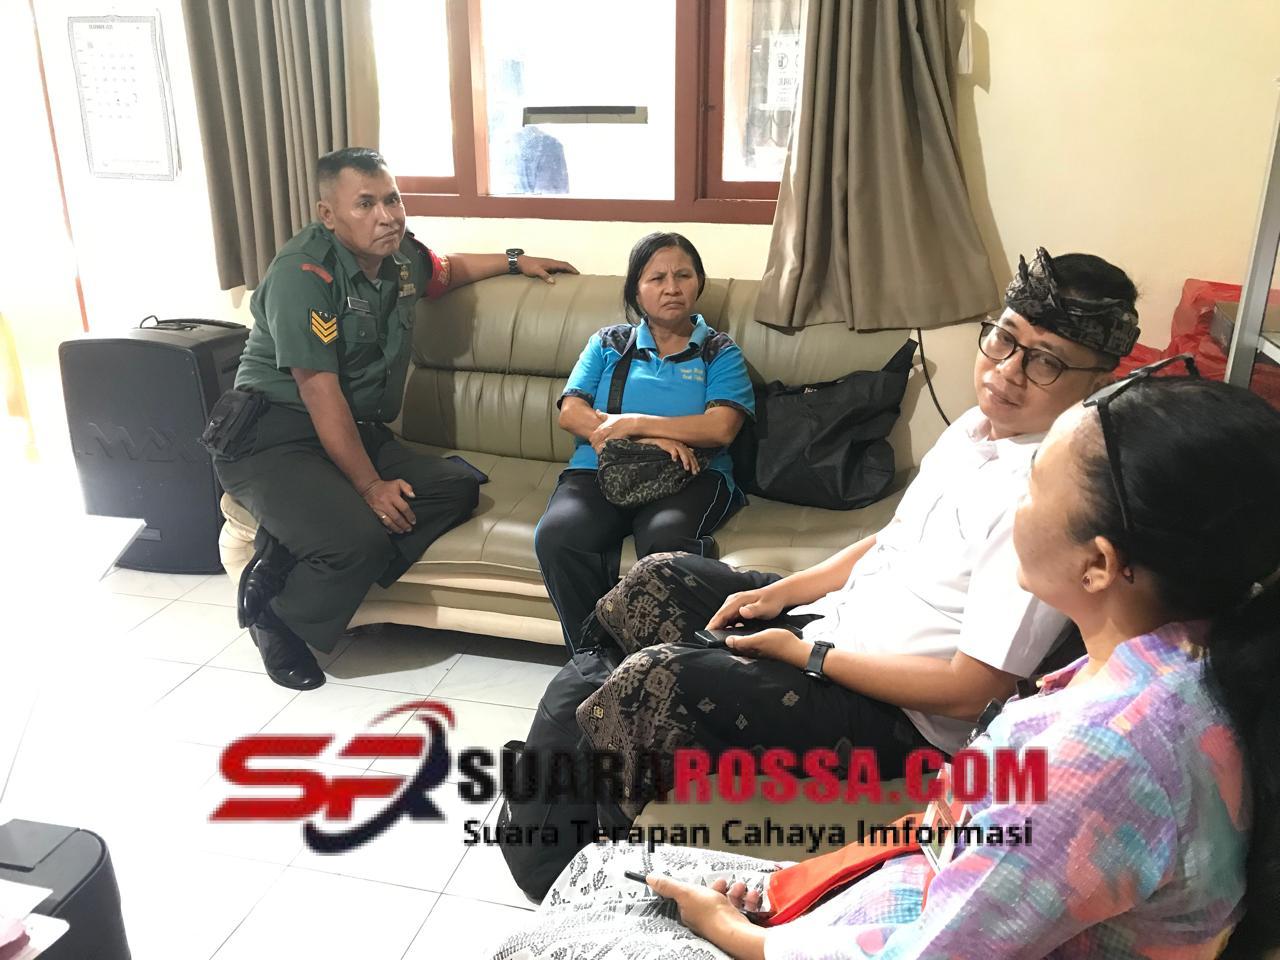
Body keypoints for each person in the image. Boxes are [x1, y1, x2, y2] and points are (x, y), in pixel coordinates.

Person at [494, 366, 1280, 959]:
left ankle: (557, 854)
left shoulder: (1093, 761)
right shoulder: (1176, 667)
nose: (1017, 502)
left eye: (1035, 490)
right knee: (647, 606)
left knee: (549, 940)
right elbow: (962, 859)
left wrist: (743, 936)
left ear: (1099, 563)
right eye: (1001, 342)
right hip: (900, 881)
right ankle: (563, 833)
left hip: (889, 899)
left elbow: (938, 944)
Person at [573, 247, 1140, 825]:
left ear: (1099, 382)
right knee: (656, 579)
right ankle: (600, 745)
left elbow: (973, 690)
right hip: (838, 624)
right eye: (1004, 339)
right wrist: (782, 592)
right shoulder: (974, 429)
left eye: (1045, 362)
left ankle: (594, 835)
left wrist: (808, 655)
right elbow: (893, 538)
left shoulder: (1046, 501)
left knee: (655, 679)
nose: (1008, 371)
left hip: (897, 715)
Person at [213, 146, 576, 690]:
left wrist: (513, 260)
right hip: (273, 436)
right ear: (328, 214)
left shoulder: (399, 257)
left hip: (350, 431)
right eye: (365, 204)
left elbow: (446, 271)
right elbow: (319, 392)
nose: (387, 216)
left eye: (393, 199)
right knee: (356, 539)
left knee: (456, 487)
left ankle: (286, 552)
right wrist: (369, 485)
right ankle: (278, 620)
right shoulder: (303, 274)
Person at [534, 232, 756, 650]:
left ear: (698, 283)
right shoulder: (608, 343)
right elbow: (572, 413)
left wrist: (635, 423)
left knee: (664, 541)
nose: (672, 288)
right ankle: (595, 657)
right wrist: (649, 438)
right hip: (600, 469)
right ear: (636, 290)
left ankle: (667, 658)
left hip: (691, 473)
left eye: (683, 275)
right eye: (657, 278)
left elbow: (720, 428)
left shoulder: (719, 351)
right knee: (559, 536)